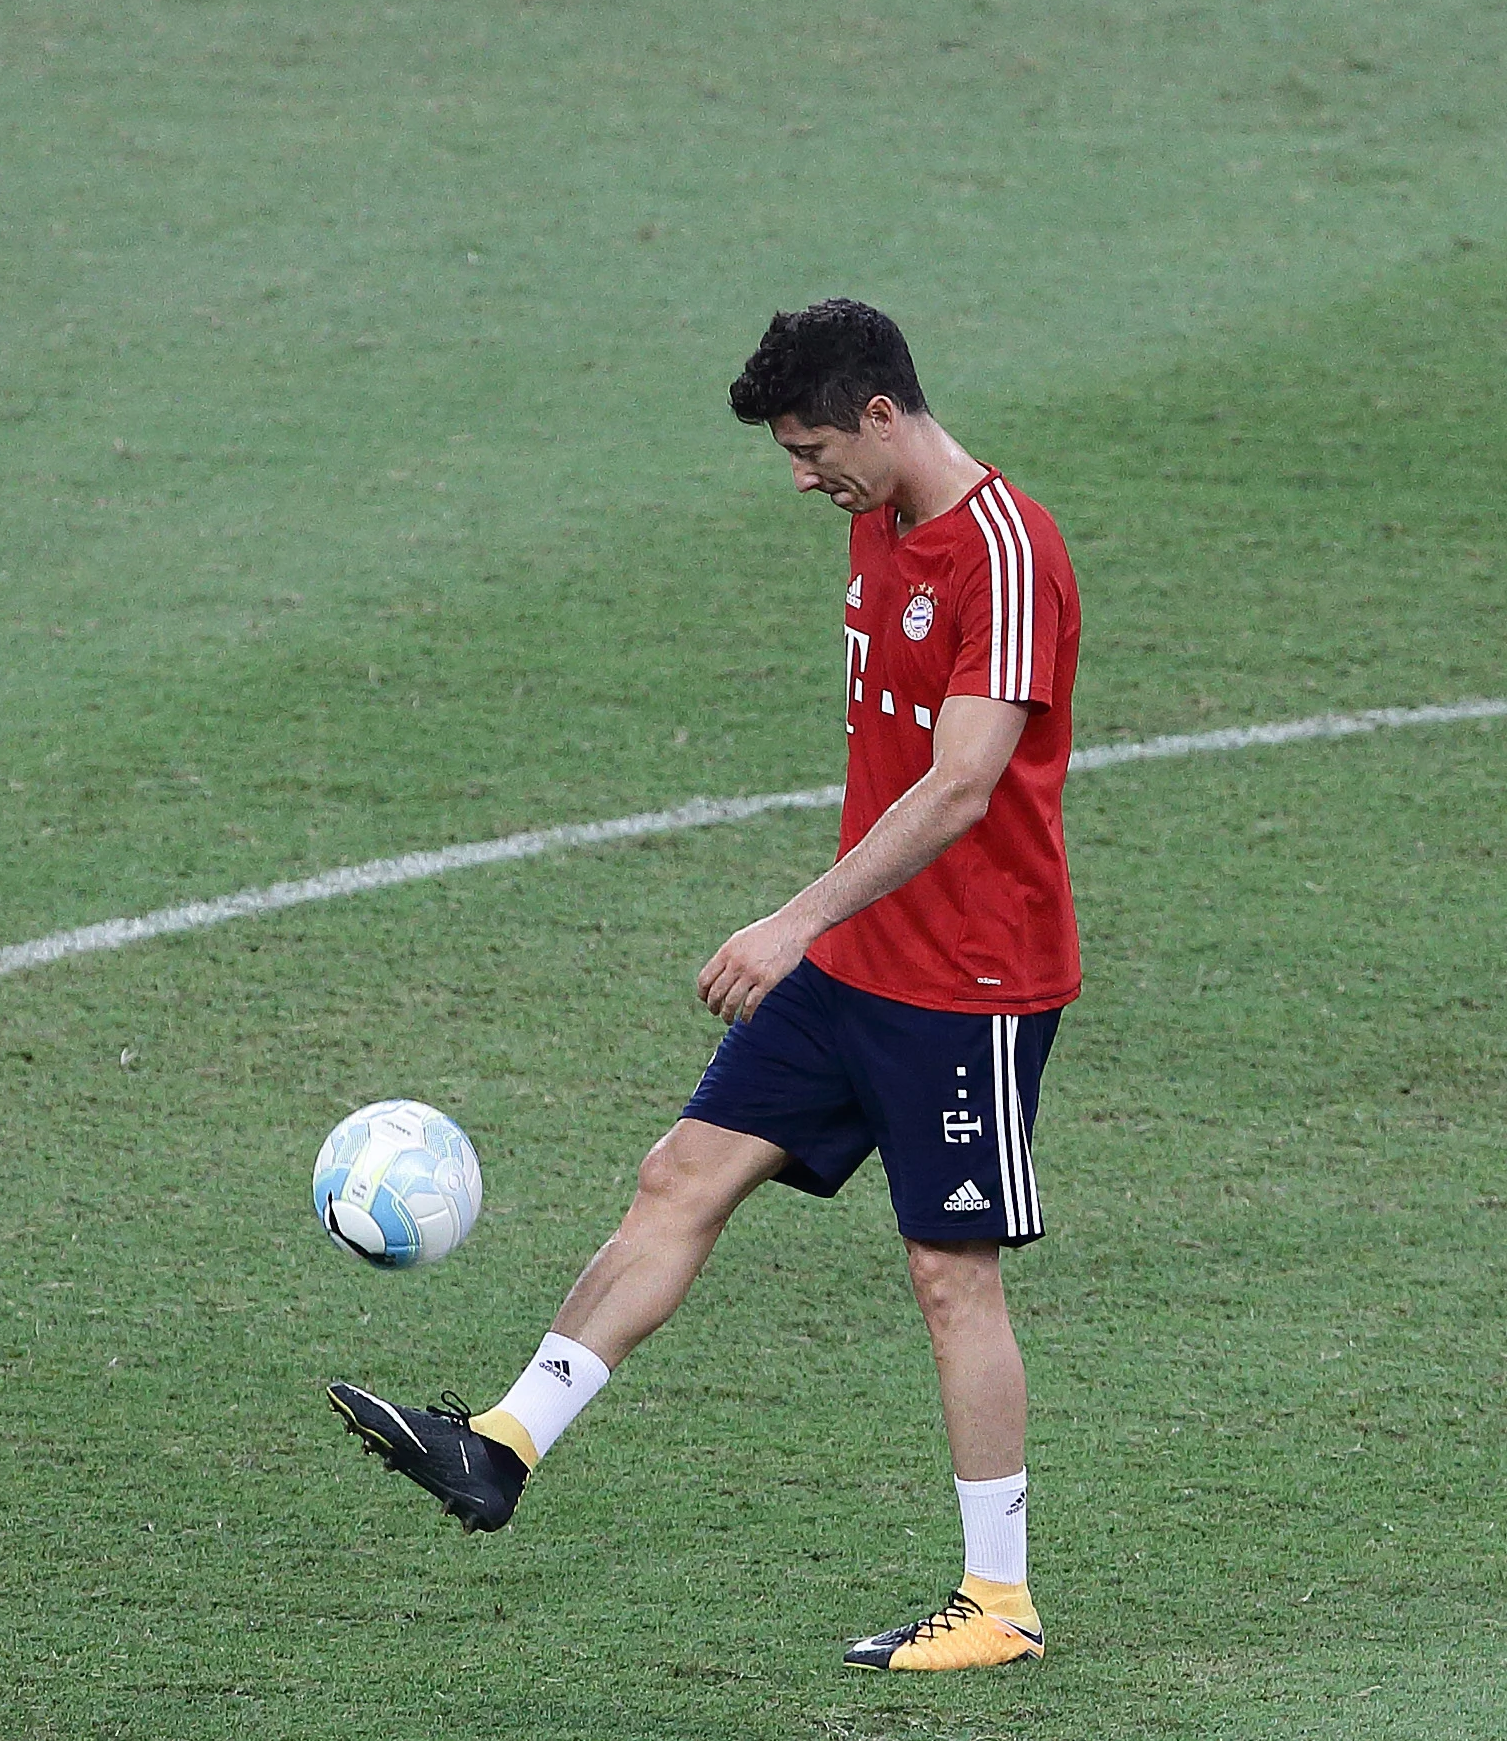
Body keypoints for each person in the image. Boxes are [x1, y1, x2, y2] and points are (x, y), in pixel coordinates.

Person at [330, 299, 1079, 1674]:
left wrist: (796, 914)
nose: (801, 477)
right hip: (860, 964)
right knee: (680, 1173)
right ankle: (501, 1445)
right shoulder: (875, 524)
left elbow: (965, 782)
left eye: (810, 448)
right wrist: (828, 933)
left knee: (947, 1274)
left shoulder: (1006, 550)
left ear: (879, 413)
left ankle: (1002, 1599)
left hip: (966, 983)